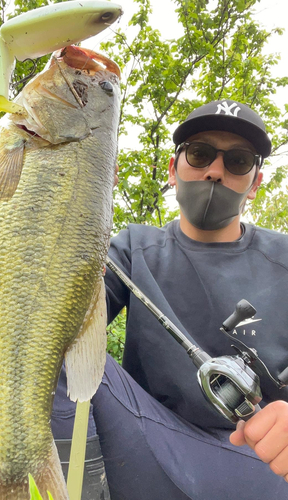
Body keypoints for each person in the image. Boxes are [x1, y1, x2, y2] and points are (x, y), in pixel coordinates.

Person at [51, 99, 288, 499]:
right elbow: (59, 316)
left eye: (238, 160)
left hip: (257, 463)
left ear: (255, 182)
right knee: (53, 336)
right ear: (173, 169)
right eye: (199, 154)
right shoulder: (132, 248)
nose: (215, 171)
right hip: (148, 445)